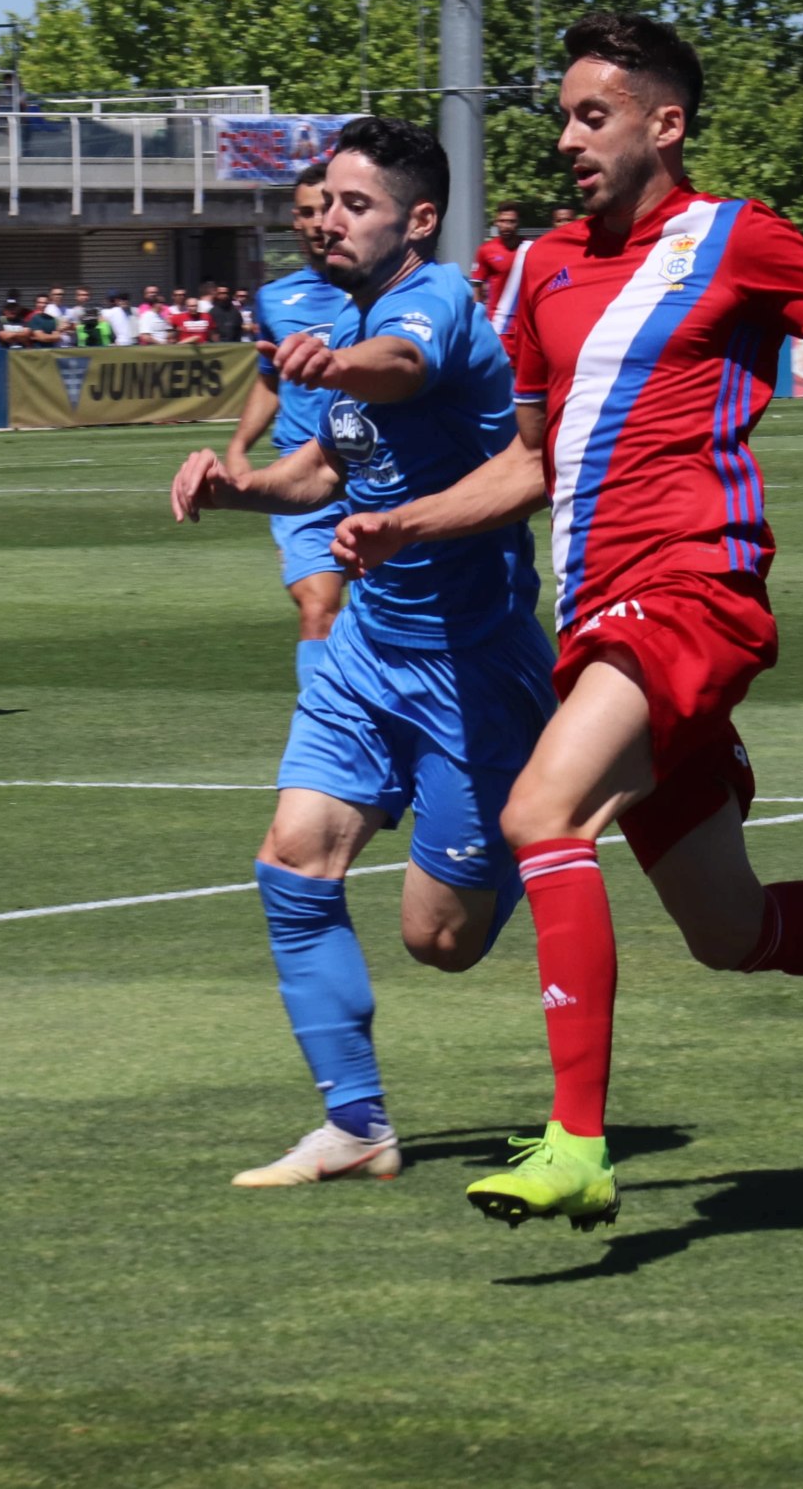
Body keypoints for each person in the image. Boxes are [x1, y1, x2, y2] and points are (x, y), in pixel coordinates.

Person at [331, 13, 803, 1230]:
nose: (565, 140)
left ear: (665, 124)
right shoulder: (542, 267)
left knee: (539, 813)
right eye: (560, 117)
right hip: (597, 615)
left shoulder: (737, 238)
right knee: (731, 929)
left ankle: (578, 1144)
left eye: (589, 116)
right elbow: (530, 463)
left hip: (695, 592)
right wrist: (416, 522)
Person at [169, 116, 552, 1188]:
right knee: (293, 857)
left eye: (355, 204)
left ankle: (547, 810)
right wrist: (237, 482)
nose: (328, 220)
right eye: (324, 203)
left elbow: (400, 367)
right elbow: (325, 471)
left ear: (418, 220)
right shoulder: (347, 318)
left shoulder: (427, 309)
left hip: (473, 670)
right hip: (365, 649)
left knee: (442, 942)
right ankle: (355, 1126)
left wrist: (338, 361)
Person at [224, 161, 349, 674]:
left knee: (384, 617)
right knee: (318, 608)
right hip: (302, 476)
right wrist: (238, 447)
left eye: (329, 208)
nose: (319, 221)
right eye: (307, 212)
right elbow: (270, 381)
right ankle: (325, 740)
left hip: (383, 473)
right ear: (294, 223)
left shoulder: (393, 290)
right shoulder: (275, 298)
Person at [470, 201, 524, 319]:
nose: (507, 226)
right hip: (498, 322)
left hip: (524, 321)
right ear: (496, 222)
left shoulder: (529, 248)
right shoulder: (486, 250)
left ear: (518, 223)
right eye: (502, 221)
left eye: (511, 221)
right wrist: (477, 318)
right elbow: (476, 285)